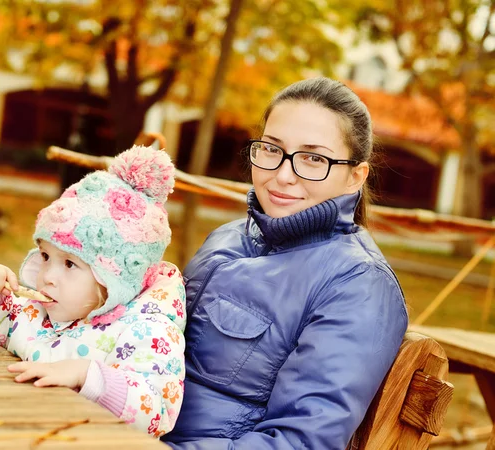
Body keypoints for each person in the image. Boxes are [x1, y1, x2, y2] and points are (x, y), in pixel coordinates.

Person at [157, 77, 409, 449]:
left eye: (313, 159)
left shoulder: (358, 284)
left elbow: (299, 440)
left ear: (355, 176)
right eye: (272, 149)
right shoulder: (229, 236)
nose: (283, 175)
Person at [0, 145, 187, 437]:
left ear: (112, 280)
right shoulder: (39, 311)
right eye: (45, 256)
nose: (48, 276)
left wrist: (87, 375)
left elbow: (156, 411)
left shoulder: (148, 332)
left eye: (69, 264)